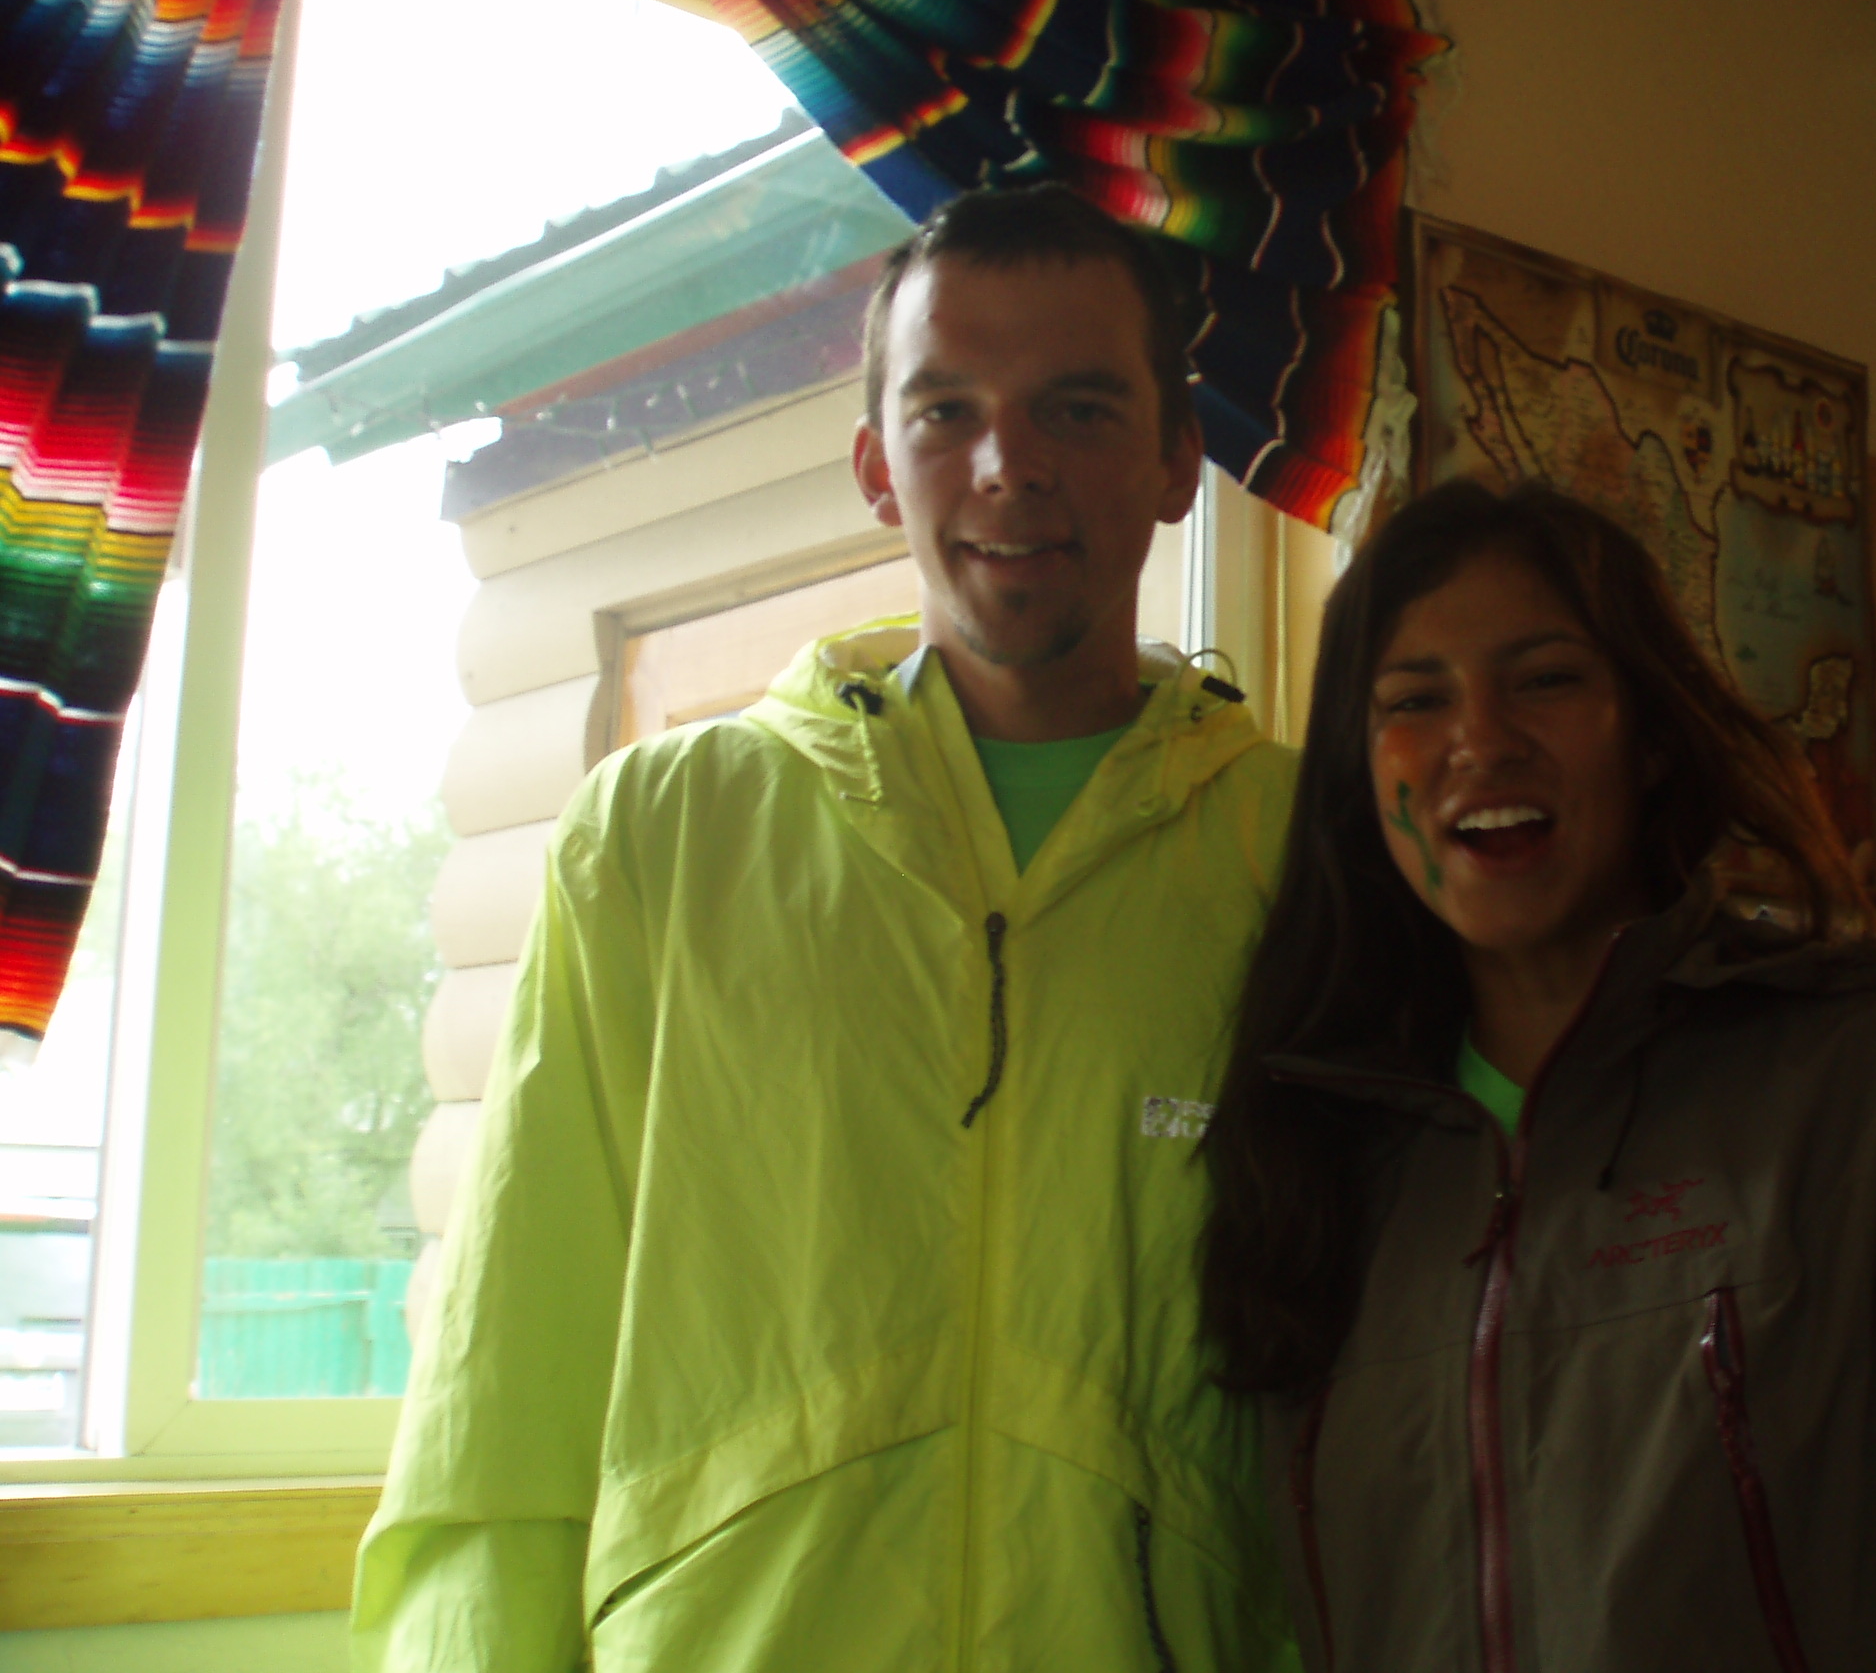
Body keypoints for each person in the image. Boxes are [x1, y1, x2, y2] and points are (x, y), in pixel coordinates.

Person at [355, 185, 1303, 1672]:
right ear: (876, 467)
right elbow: (508, 1374)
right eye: (946, 413)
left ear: (1180, 460)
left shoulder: (1301, 853)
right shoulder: (663, 834)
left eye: (1077, 408)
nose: (1008, 465)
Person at [1200, 479, 1876, 1673]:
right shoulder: (1318, 1157)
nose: (1480, 739)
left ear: (1648, 735)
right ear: (1357, 778)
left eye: (1545, 679)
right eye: (1414, 700)